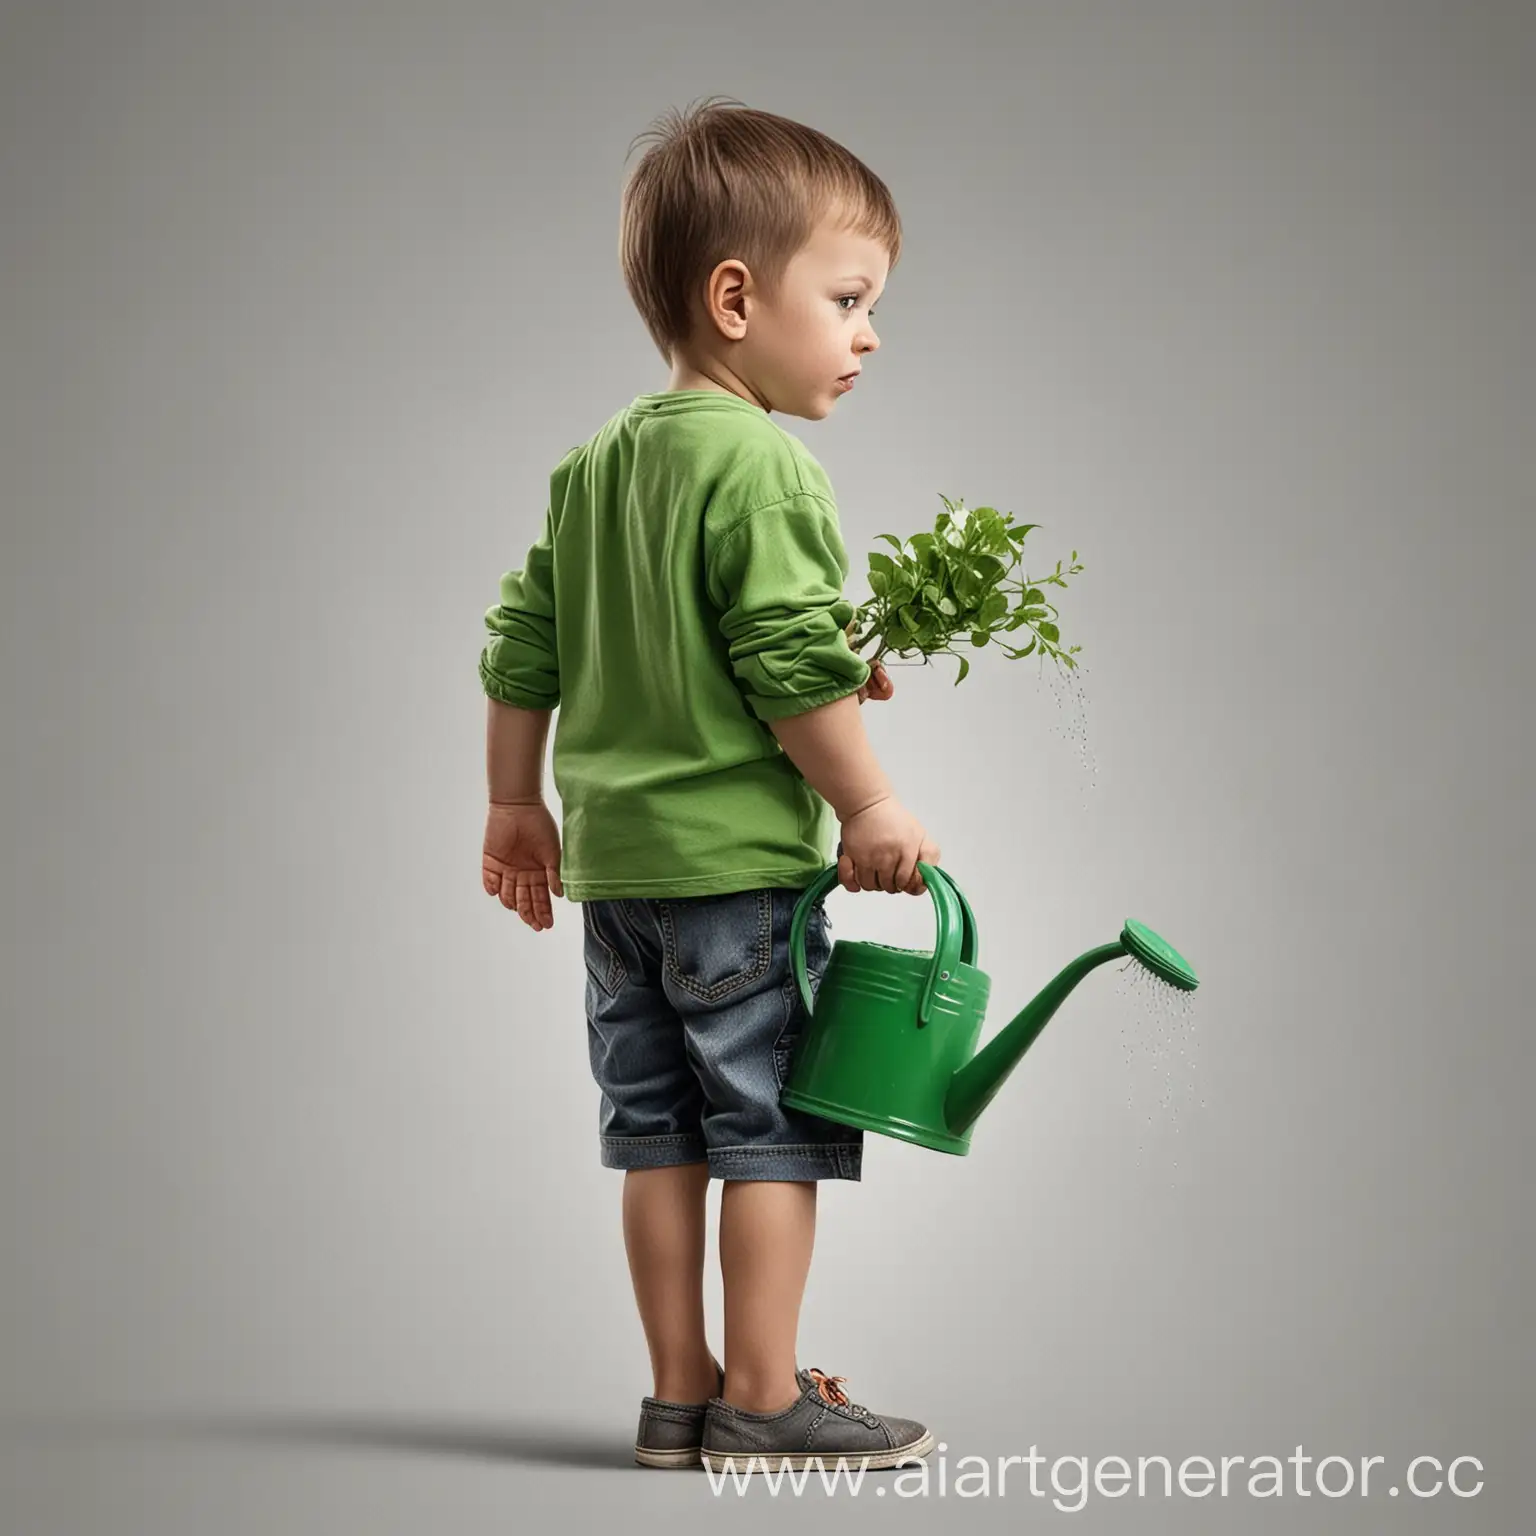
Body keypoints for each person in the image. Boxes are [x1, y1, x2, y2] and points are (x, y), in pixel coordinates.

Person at [477, 96, 939, 1473]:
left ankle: (678, 1399)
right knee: (770, 1135)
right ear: (736, 297)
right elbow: (785, 664)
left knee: (654, 1134)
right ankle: (764, 1397)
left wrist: (515, 804)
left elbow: (527, 643)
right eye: (849, 298)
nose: (868, 335)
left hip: (617, 878)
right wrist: (865, 801)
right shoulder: (763, 464)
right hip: (737, 880)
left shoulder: (595, 469)